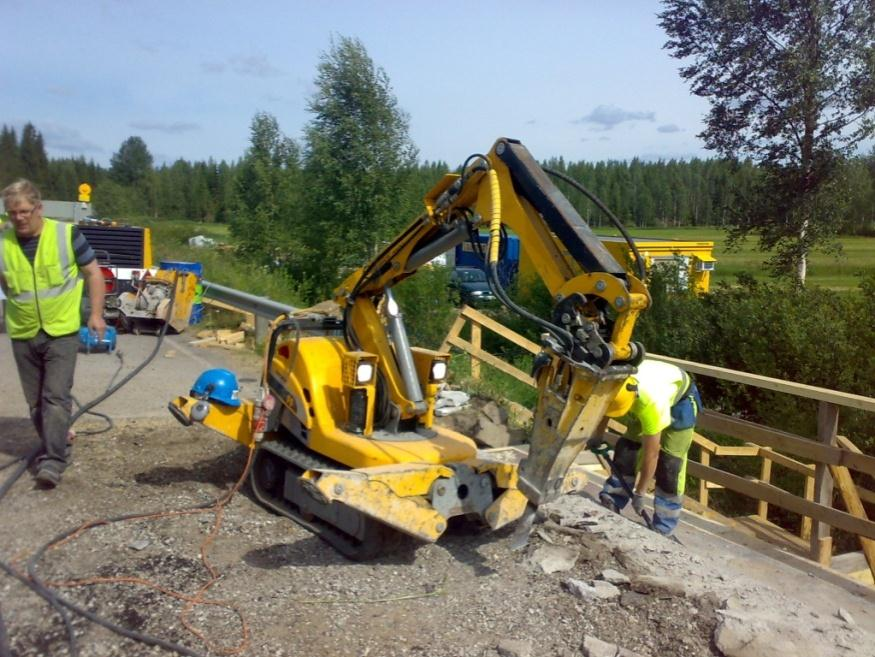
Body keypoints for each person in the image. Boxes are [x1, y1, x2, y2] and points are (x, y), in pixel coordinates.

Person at [0, 179, 105, 488]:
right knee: (35, 403)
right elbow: (5, 285)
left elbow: (94, 273)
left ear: (39, 208)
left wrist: (96, 315)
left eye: (24, 211)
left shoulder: (66, 235)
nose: (18, 218)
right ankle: (56, 440)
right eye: (11, 212)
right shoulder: (3, 243)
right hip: (23, 331)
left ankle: (55, 460)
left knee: (55, 398)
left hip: (61, 331)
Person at [598, 358, 702, 536]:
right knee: (628, 448)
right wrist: (596, 437)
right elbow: (602, 411)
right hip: (650, 388)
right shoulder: (612, 385)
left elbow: (651, 455)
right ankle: (613, 497)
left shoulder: (650, 404)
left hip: (681, 402)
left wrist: (640, 492)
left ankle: (663, 525)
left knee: (671, 465)